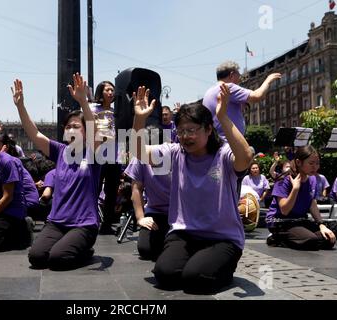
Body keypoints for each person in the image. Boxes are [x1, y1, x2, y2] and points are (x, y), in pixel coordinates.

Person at [132, 83, 252, 292]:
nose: (185, 136)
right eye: (181, 131)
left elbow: (245, 158)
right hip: (185, 234)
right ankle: (201, 263)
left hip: (222, 238)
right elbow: (138, 152)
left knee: (196, 279)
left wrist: (223, 116)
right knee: (165, 275)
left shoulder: (223, 153)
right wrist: (140, 118)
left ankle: (222, 266)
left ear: (208, 129)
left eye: (191, 130)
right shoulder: (176, 152)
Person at [12, 74, 101, 270]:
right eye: (68, 127)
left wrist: (83, 101)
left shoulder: (94, 152)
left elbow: (93, 128)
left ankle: (85, 249)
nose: (71, 129)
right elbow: (34, 133)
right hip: (57, 222)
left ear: (85, 131)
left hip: (83, 224)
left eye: (76, 127)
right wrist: (20, 107)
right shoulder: (60, 151)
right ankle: (71, 246)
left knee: (57, 259)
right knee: (36, 257)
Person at [266, 146, 337, 250]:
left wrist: (322, 225)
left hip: (299, 220)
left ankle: (298, 237)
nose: (315, 167)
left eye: (317, 163)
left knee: (329, 239)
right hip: (281, 222)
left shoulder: (312, 179)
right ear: (299, 162)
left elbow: (312, 204)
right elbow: (284, 210)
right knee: (310, 240)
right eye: (311, 163)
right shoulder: (283, 179)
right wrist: (295, 189)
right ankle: (277, 238)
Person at [124, 126, 171, 261]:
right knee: (146, 249)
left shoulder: (173, 154)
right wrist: (140, 218)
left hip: (178, 213)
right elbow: (136, 189)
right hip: (155, 212)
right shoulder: (139, 159)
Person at [202, 61, 281, 140]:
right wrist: (268, 80)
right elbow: (257, 96)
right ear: (232, 75)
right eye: (238, 75)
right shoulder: (228, 87)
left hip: (215, 141)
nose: (239, 80)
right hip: (229, 142)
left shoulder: (208, 93)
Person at [91, 80, 121, 234]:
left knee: (111, 191)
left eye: (112, 90)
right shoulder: (93, 109)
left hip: (114, 156)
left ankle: (107, 224)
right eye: (107, 90)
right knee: (94, 189)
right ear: (100, 92)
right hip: (97, 155)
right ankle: (90, 220)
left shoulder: (117, 112)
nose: (111, 93)